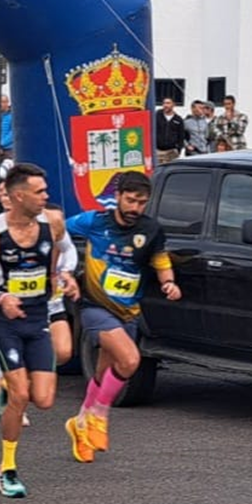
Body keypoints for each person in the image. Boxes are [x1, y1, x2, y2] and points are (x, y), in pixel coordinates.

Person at [64, 171, 179, 464]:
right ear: (117, 197)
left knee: (104, 374)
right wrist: (63, 271)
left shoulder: (151, 230)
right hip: (95, 307)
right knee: (130, 361)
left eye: (141, 202)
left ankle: (80, 422)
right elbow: (57, 231)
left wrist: (168, 281)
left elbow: (160, 259)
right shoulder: (94, 222)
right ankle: (100, 415)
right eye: (130, 200)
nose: (135, 208)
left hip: (128, 311)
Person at [0, 163, 66, 498]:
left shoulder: (52, 223)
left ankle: (10, 389)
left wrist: (66, 276)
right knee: (22, 396)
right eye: (40, 192)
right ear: (18, 196)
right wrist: (2, 297)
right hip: (7, 322)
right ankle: (7, 469)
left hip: (39, 318)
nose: (46, 197)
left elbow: (68, 255)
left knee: (44, 399)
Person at [154, 97, 185, 165]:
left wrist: (178, 149)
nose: (165, 105)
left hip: (172, 151)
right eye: (164, 103)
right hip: (158, 150)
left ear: (173, 105)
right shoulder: (157, 116)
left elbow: (181, 135)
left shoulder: (178, 119)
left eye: (168, 103)